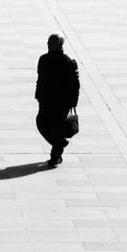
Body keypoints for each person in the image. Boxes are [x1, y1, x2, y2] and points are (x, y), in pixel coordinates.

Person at [35, 34, 80, 166]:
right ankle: (59, 143)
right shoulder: (43, 59)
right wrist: (38, 95)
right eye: (48, 42)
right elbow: (40, 78)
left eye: (52, 43)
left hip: (61, 102)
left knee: (55, 126)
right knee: (41, 123)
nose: (48, 44)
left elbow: (75, 85)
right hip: (46, 100)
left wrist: (72, 103)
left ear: (59, 45)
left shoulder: (67, 62)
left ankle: (56, 156)